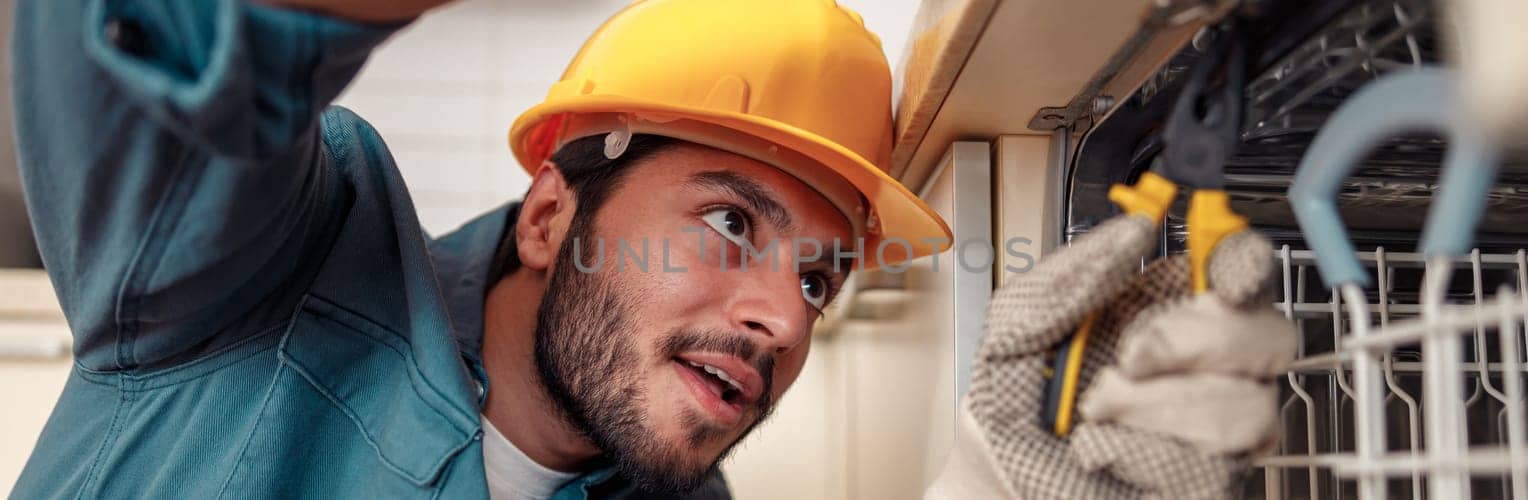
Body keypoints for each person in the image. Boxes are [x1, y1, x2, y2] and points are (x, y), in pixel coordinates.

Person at [9, 0, 1293, 499]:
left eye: (818, 271)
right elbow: (138, 51)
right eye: (730, 220)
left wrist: (993, 488)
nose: (784, 320)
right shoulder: (255, 275)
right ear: (553, 212)